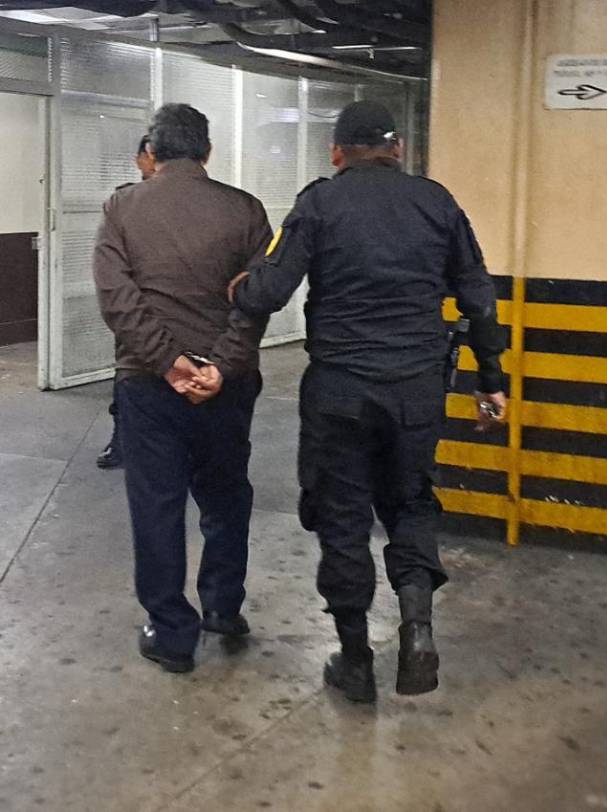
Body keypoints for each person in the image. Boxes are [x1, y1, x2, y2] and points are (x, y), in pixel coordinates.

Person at [230, 100, 508, 703]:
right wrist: (491, 378)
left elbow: (270, 291)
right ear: (398, 148)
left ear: (336, 152)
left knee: (343, 521)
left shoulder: (319, 202)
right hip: (416, 389)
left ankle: (355, 661)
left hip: (340, 394)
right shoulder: (437, 202)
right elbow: (479, 297)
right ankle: (416, 632)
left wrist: (243, 285)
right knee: (411, 505)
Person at [94, 104, 272, 674]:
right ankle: (223, 607)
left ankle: (172, 634)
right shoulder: (247, 211)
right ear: (207, 151)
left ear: (153, 152)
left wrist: (170, 363)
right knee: (225, 495)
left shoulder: (122, 206)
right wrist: (219, 365)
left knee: (157, 504)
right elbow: (257, 302)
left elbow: (117, 299)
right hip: (228, 387)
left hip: (148, 387)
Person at [96, 134, 157, 471]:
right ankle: (122, 441)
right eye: (148, 155)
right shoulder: (124, 202)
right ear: (141, 160)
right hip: (136, 308)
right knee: (129, 376)